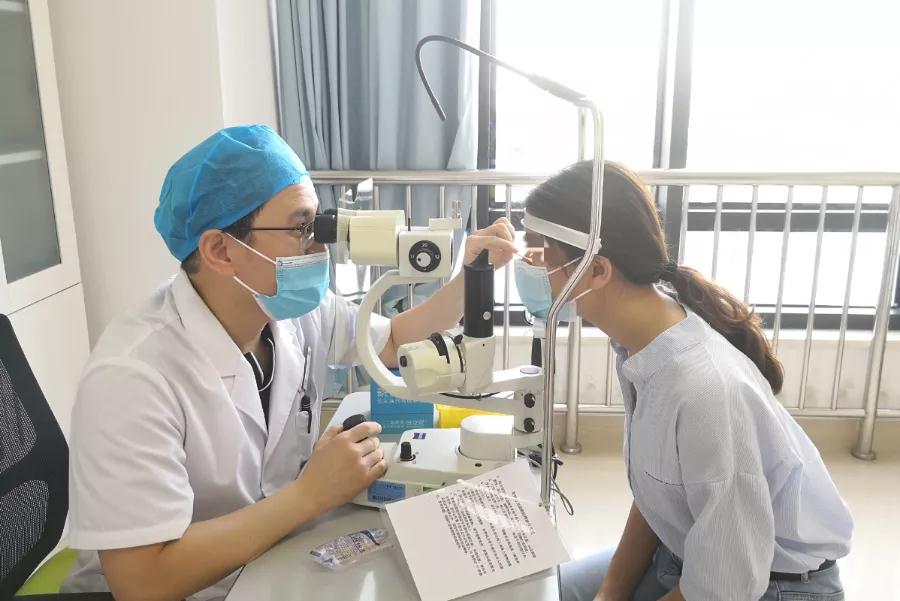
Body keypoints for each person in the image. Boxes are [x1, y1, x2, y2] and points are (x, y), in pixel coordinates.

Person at [62, 125, 516, 601]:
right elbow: (142, 582)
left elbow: (394, 340)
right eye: (302, 228)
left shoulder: (291, 309)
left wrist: (473, 275)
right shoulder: (131, 377)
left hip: (268, 561)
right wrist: (309, 495)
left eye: (320, 225)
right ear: (220, 250)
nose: (320, 246)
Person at [513, 160, 852, 601]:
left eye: (541, 253)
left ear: (596, 270)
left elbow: (724, 586)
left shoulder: (704, 390)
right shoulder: (643, 343)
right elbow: (661, 490)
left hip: (767, 586)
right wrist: (610, 591)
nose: (528, 264)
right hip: (685, 551)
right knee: (532, 593)